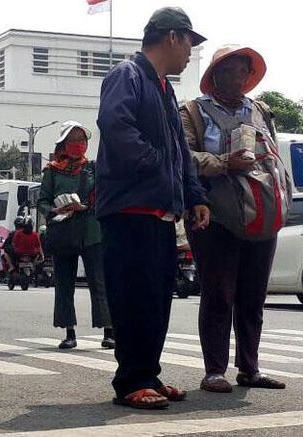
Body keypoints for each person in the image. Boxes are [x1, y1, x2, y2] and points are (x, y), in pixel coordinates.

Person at [96, 7, 210, 409]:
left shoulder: (163, 87)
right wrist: (158, 169)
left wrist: (194, 195)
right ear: (172, 37)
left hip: (160, 211)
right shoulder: (126, 76)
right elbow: (116, 127)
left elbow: (180, 150)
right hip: (130, 210)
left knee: (157, 297)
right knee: (133, 297)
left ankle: (149, 373)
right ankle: (130, 381)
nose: (190, 54)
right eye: (189, 44)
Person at [179, 45, 291, 393]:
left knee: (253, 295)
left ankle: (250, 367)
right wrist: (225, 162)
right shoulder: (193, 112)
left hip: (261, 214)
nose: (240, 77)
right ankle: (215, 369)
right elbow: (185, 158)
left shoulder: (260, 111)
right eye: (232, 70)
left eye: (245, 70)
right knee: (218, 293)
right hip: (215, 215)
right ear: (216, 76)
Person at [37, 120, 114, 350]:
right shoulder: (51, 171)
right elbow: (42, 201)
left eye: (82, 140)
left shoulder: (93, 167)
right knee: (64, 284)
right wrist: (54, 209)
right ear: (63, 144)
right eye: (73, 140)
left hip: (92, 232)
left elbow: (104, 196)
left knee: (99, 282)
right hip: (63, 231)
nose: (78, 145)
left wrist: (86, 207)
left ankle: (109, 332)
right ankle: (69, 332)